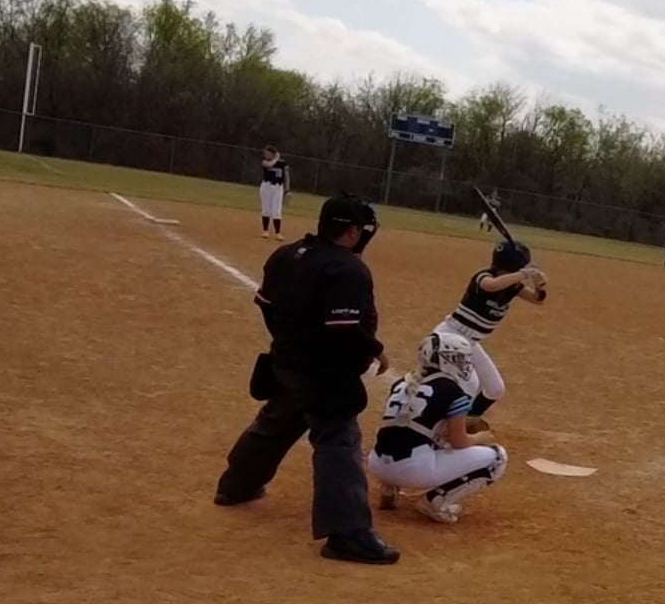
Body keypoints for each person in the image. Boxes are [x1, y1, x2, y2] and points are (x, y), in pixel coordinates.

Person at [214, 192, 399, 565]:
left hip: (287, 361)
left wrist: (289, 342)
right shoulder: (347, 269)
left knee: (277, 421)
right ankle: (347, 533)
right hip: (324, 372)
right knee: (338, 439)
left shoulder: (287, 254)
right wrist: (375, 348)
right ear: (351, 231)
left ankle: (236, 485)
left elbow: (266, 306)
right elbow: (344, 328)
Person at [371, 332, 508, 524]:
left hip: (377, 464)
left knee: (405, 432)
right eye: (459, 358)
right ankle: (435, 502)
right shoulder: (453, 391)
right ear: (446, 360)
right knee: (497, 458)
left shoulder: (401, 383)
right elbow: (459, 442)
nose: (464, 364)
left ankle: (388, 486)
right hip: (412, 469)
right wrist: (481, 438)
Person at [431, 239, 547, 424]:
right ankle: (447, 427)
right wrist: (523, 273)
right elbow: (491, 285)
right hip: (451, 336)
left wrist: (540, 287)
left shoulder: (512, 286)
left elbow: (537, 300)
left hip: (470, 342)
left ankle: (467, 422)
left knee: (495, 388)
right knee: (470, 384)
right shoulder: (484, 276)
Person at [258, 145, 289, 240]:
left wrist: (287, 189)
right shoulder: (265, 162)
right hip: (266, 186)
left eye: (268, 153)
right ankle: (265, 231)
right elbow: (269, 165)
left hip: (278, 187)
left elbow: (286, 176)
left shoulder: (282, 163)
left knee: (276, 211)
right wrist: (276, 157)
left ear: (273, 154)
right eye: (265, 153)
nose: (266, 155)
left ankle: (278, 233)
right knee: (266, 209)